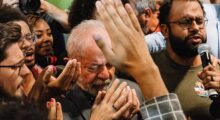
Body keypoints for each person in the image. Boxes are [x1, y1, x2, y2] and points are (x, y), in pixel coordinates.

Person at [90, 0, 186, 119]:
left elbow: (164, 39)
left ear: (146, 15)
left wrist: (141, 59)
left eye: (122, 19)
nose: (116, 27)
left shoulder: (163, 34)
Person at [58, 20, 143, 120]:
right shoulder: (59, 106)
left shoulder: (134, 92)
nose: (106, 75)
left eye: (110, 64)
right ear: (70, 65)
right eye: (93, 67)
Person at [149, 0, 217, 119]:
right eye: (186, 22)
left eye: (200, 21)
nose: (195, 28)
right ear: (165, 30)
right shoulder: (149, 68)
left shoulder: (216, 68)